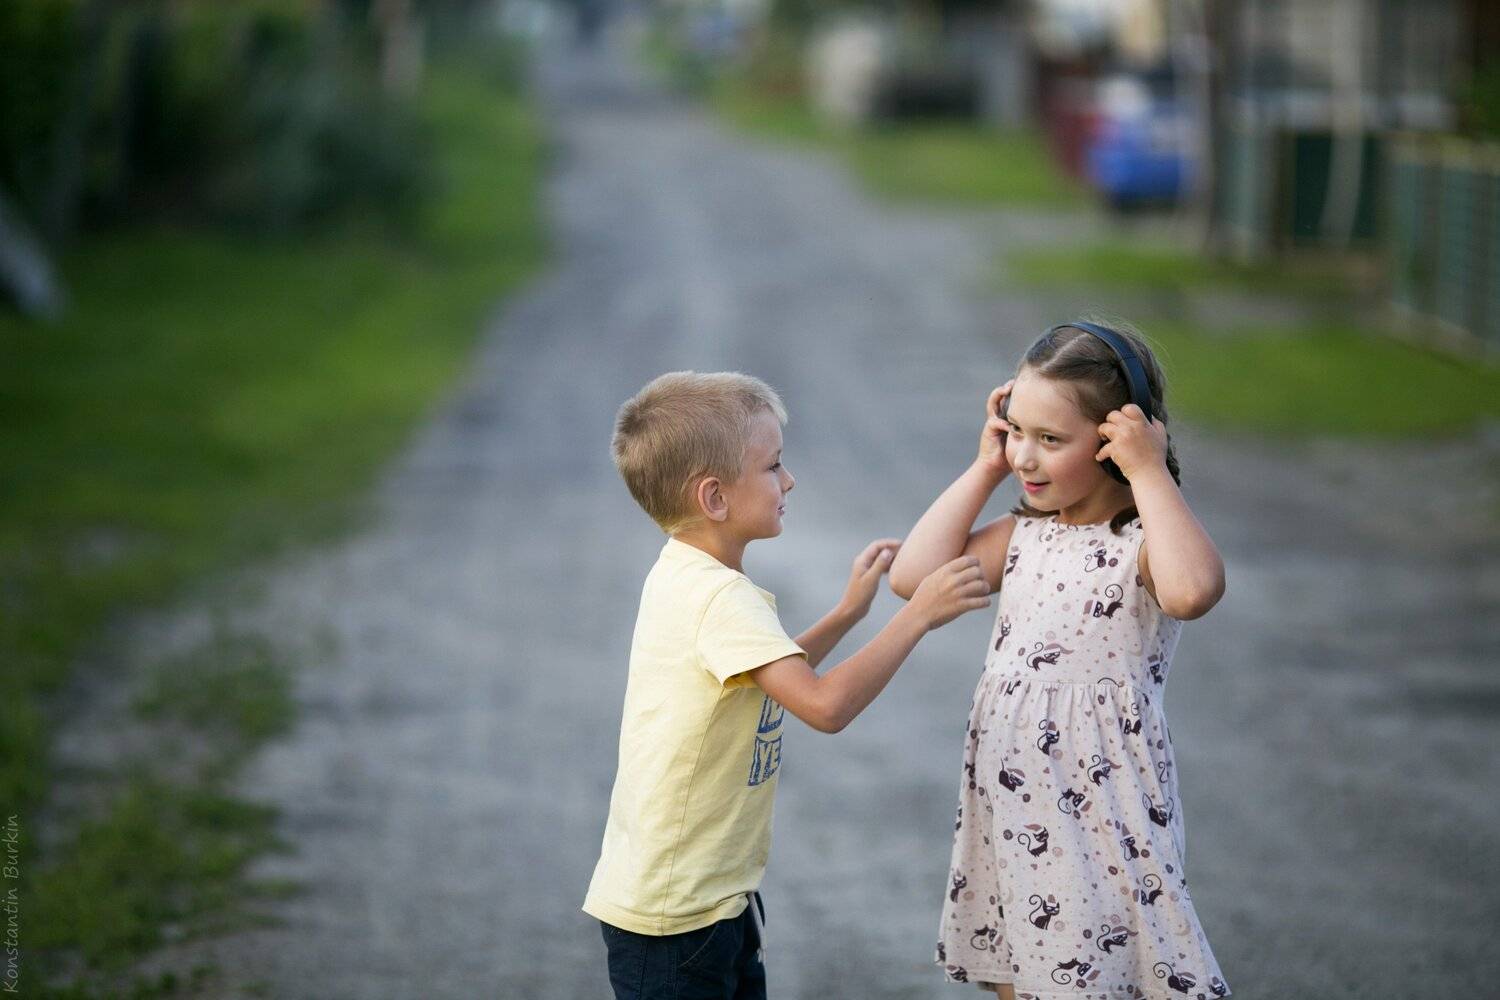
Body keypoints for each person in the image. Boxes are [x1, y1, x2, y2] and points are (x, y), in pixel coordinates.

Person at [584, 370, 990, 1000]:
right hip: (678, 923)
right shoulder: (722, 600)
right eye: (774, 465)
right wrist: (918, 615)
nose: (789, 479)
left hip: (709, 903)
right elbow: (824, 705)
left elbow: (768, 673)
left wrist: (848, 615)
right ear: (714, 497)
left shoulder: (686, 574)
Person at [889, 321, 1232, 999]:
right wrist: (984, 465)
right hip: (1016, 810)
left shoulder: (1142, 544)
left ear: (1115, 441)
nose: (1025, 457)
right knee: (1020, 973)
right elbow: (912, 576)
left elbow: (1193, 591)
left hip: (1101, 815)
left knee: (1098, 979)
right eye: (1016, 431)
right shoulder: (1023, 537)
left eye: (1050, 440)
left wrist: (1150, 472)